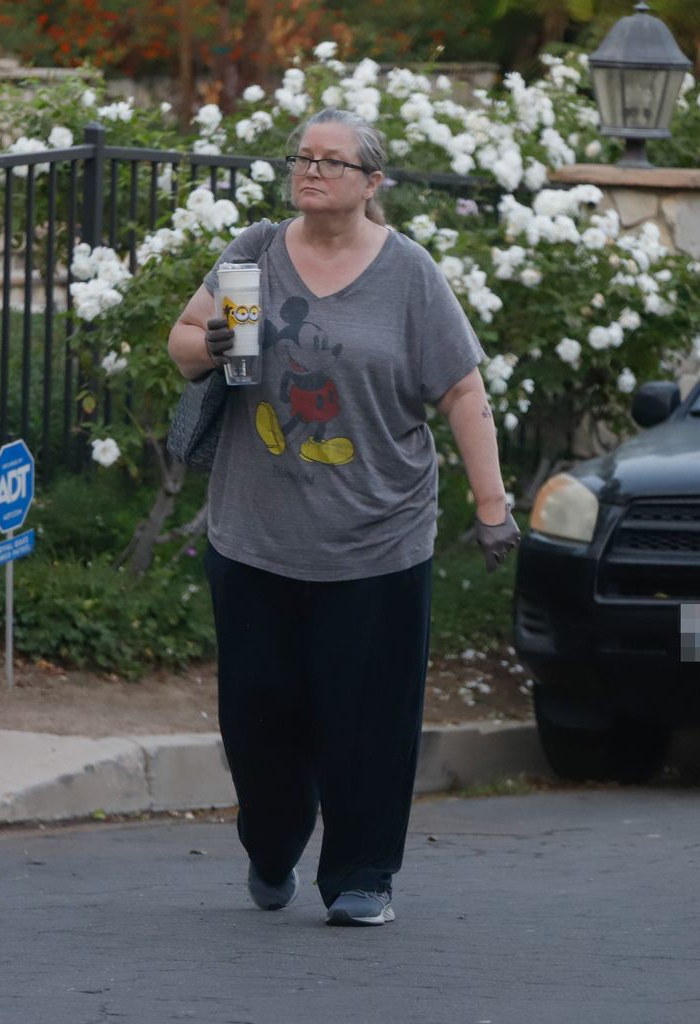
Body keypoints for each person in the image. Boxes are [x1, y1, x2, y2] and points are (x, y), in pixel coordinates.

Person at [167, 108, 520, 927]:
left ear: (371, 181)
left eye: (331, 161)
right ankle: (271, 842)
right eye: (303, 157)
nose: (311, 170)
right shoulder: (254, 253)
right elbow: (182, 342)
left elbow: (461, 391)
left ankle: (363, 873)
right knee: (257, 719)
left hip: (378, 540)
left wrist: (492, 507)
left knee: (368, 720)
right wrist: (213, 341)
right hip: (255, 538)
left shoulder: (409, 274)